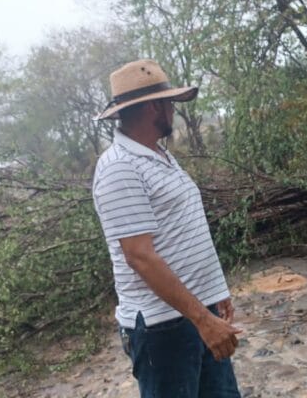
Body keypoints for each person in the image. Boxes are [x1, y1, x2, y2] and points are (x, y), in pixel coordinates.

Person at [91, 59, 242, 397]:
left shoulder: (159, 156)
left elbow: (186, 228)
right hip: (163, 328)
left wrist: (214, 293)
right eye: (169, 102)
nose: (174, 110)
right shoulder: (119, 169)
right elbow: (140, 257)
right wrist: (203, 320)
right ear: (153, 108)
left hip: (197, 315)